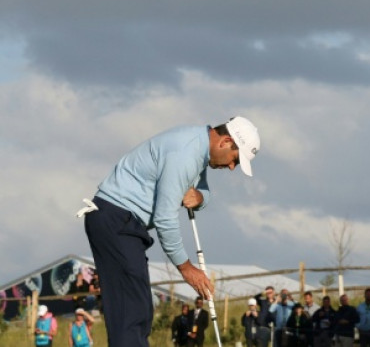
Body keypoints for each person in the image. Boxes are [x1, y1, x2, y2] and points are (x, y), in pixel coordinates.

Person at [81, 116, 261, 347]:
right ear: (225, 142)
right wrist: (186, 268)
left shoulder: (198, 148)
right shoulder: (186, 154)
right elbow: (165, 217)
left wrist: (200, 197)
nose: (232, 166)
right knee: (131, 313)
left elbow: (200, 191)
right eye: (235, 159)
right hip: (116, 220)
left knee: (141, 309)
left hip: (123, 223)